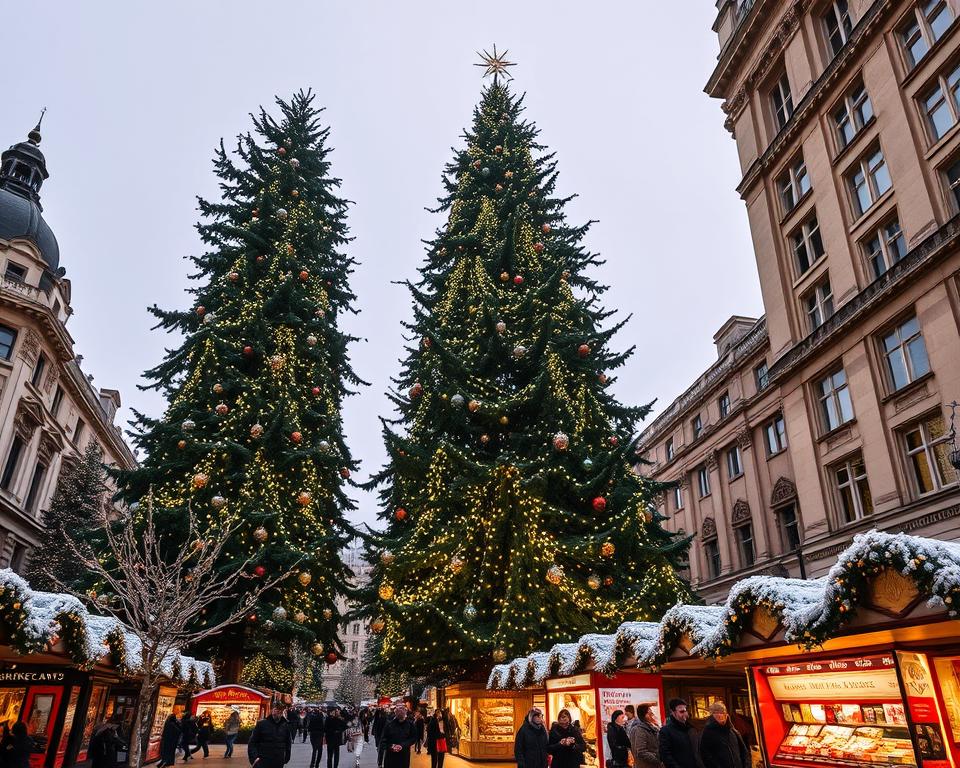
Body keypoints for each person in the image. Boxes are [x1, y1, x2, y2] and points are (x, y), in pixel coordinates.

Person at [698, 702, 748, 768]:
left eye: (723, 712)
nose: (721, 715)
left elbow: (744, 752)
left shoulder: (733, 731)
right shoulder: (707, 733)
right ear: (712, 715)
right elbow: (705, 756)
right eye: (717, 712)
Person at [659, 699, 703, 768]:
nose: (685, 714)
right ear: (673, 712)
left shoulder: (690, 728)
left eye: (685, 710)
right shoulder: (666, 731)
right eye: (681, 711)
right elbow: (665, 755)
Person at [248, 702, 292, 768]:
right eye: (276, 709)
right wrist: (254, 758)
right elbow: (252, 742)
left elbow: (288, 742)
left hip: (278, 760)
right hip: (263, 760)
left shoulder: (285, 725)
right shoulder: (262, 724)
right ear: (272, 710)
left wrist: (286, 757)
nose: (277, 712)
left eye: (280, 710)